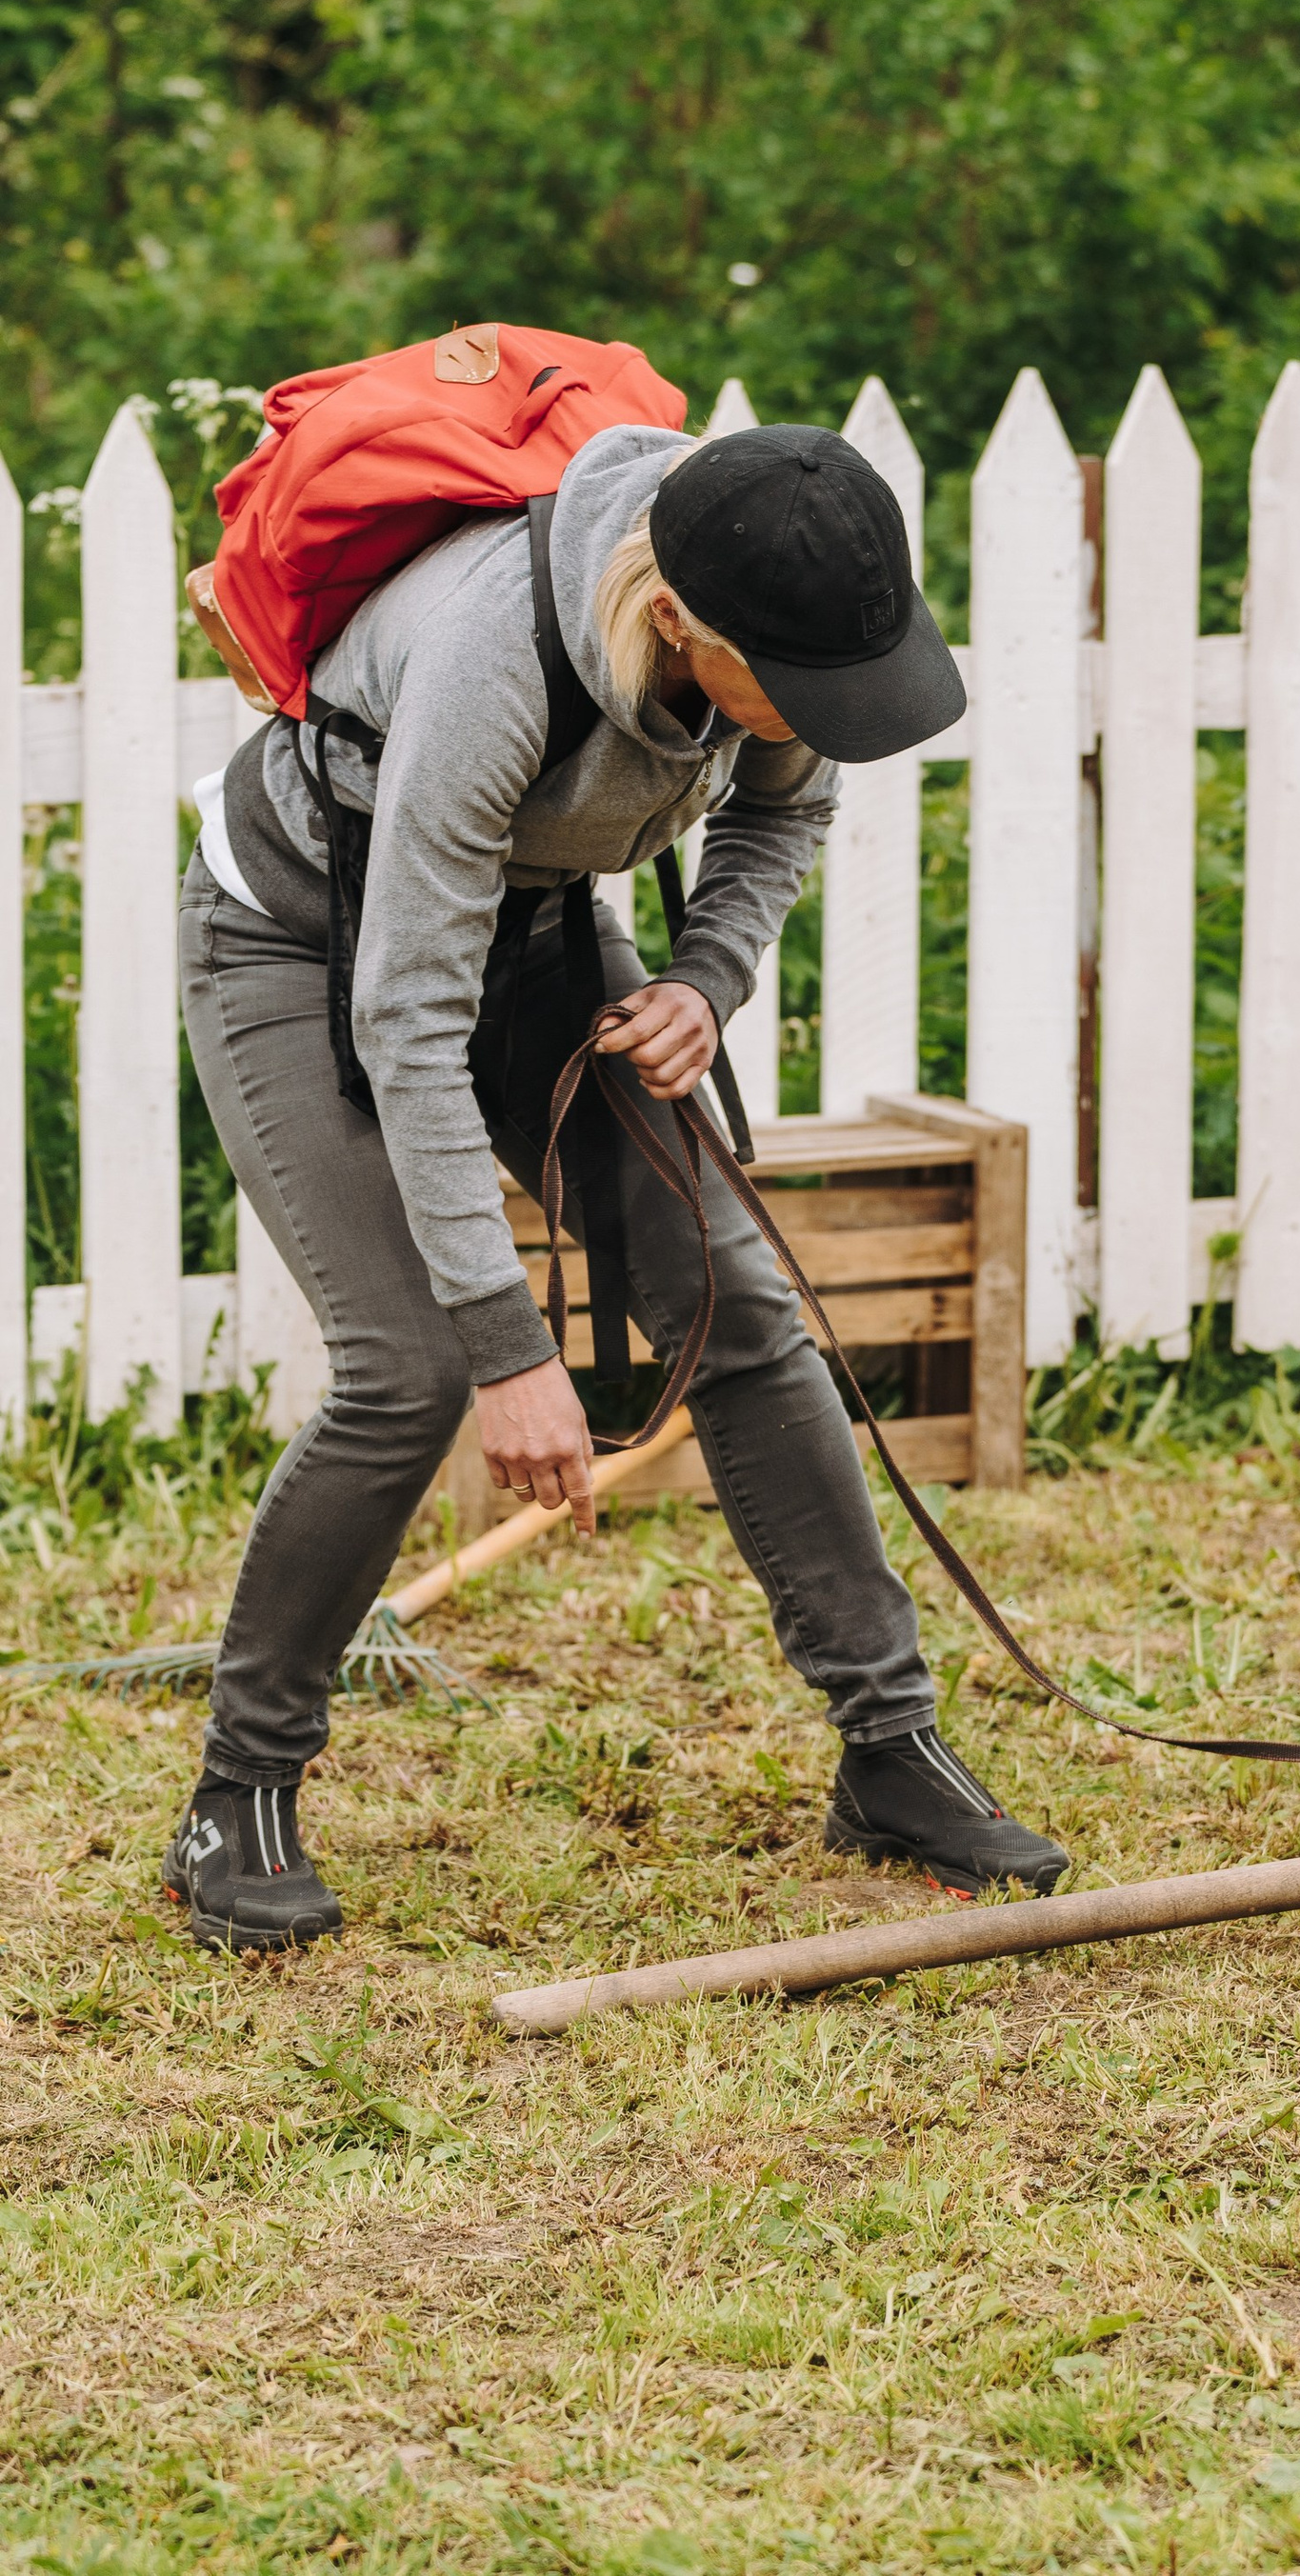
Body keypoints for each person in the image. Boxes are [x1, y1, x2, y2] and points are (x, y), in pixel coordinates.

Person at [167, 415, 1068, 1950]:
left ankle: (890, 1751)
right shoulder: (492, 662)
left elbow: (787, 804)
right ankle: (235, 1792)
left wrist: (705, 976)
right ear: (675, 622)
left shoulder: (766, 601)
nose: (826, 716)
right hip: (301, 945)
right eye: (801, 689)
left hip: (534, 931)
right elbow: (407, 1013)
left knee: (740, 1304)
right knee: (405, 1369)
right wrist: (507, 1345)